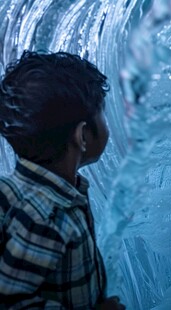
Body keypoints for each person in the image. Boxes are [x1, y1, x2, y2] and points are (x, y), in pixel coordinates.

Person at [0, 51, 125, 309]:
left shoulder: (17, 191)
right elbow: (12, 303)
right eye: (102, 114)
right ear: (82, 136)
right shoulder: (48, 216)